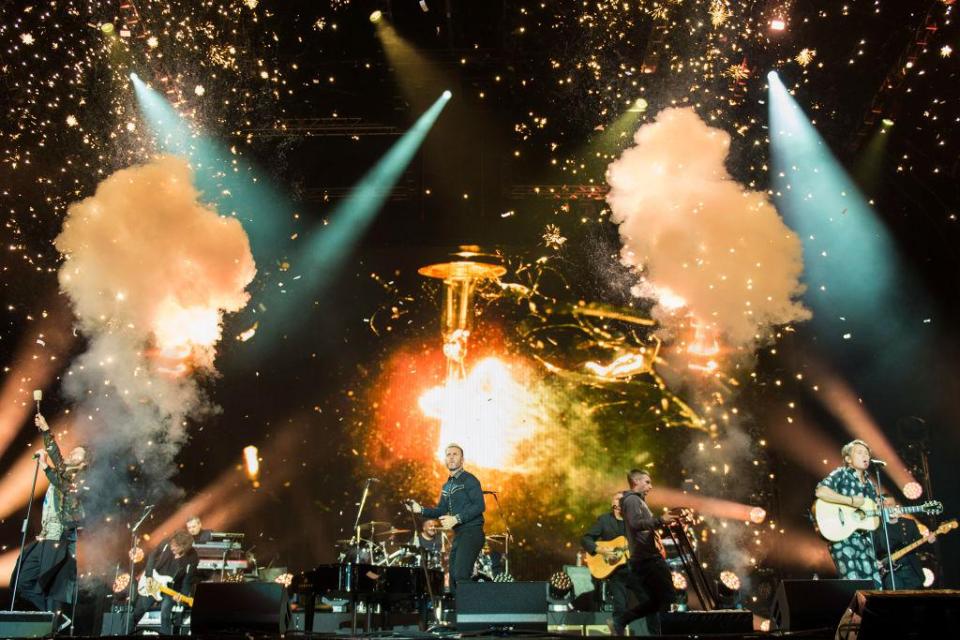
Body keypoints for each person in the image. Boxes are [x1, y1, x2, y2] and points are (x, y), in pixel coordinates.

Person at [11, 413, 88, 629]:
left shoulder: (81, 479)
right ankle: (52, 618)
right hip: (47, 534)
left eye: (77, 455)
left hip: (60, 535)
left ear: (84, 464)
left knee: (50, 584)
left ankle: (51, 621)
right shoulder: (64, 472)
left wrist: (45, 466)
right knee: (22, 580)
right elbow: (58, 459)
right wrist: (45, 430)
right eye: (72, 452)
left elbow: (63, 484)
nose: (72, 455)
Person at [405, 443, 485, 593]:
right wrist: (419, 509)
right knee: (454, 577)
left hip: (472, 532)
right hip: (460, 535)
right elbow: (441, 510)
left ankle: (472, 612)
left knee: (461, 575)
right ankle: (461, 613)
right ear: (445, 460)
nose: (451, 457)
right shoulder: (446, 486)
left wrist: (456, 519)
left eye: (455, 454)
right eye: (448, 454)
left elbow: (479, 506)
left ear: (462, 460)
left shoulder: (470, 480)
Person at [610, 469, 677, 636]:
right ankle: (672, 633)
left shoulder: (637, 501)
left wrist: (664, 526)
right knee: (669, 597)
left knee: (656, 601)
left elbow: (644, 528)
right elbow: (635, 524)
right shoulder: (632, 500)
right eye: (647, 482)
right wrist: (660, 519)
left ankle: (621, 621)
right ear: (636, 482)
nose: (651, 486)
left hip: (644, 559)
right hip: (648, 559)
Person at [814, 439, 883, 587]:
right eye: (859, 452)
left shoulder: (870, 484)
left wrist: (884, 512)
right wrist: (851, 500)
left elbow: (872, 517)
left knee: (874, 586)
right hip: (842, 537)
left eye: (867, 453)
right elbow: (821, 491)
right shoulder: (841, 474)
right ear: (848, 459)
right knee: (853, 585)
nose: (865, 456)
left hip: (865, 540)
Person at [127, 530, 199, 635]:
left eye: (175, 547)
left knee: (165, 614)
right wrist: (148, 575)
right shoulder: (167, 542)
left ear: (183, 547)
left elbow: (187, 580)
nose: (172, 547)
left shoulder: (193, 557)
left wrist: (182, 595)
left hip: (171, 588)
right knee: (137, 613)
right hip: (153, 581)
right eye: (172, 545)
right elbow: (152, 555)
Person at [582, 492, 631, 618]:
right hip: (615, 572)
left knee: (648, 602)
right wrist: (600, 550)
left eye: (623, 499)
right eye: (617, 499)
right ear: (612, 503)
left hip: (634, 568)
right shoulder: (604, 520)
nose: (620, 501)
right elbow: (586, 539)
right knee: (621, 607)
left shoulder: (633, 520)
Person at [872, 509, 936, 589]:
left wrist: (929, 541)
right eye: (886, 506)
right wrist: (875, 561)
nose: (890, 509)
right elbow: (873, 550)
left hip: (911, 571)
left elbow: (920, 546)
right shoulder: (878, 528)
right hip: (891, 574)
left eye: (891, 505)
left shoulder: (909, 523)